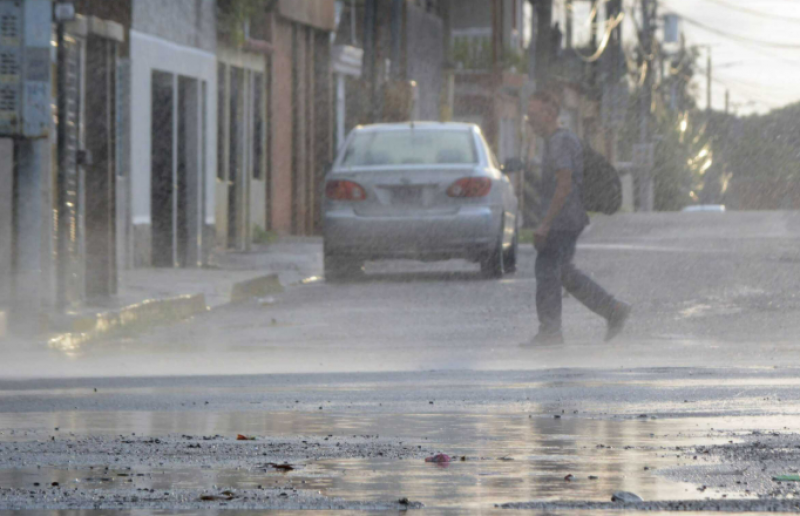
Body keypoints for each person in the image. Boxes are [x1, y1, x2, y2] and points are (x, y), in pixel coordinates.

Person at [523, 89, 631, 345]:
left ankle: (551, 333)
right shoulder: (556, 140)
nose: (530, 121)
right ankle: (612, 310)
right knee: (562, 273)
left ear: (550, 114)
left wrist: (545, 224)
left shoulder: (560, 141)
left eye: (534, 115)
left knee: (549, 273)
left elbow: (564, 184)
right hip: (567, 219)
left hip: (562, 221)